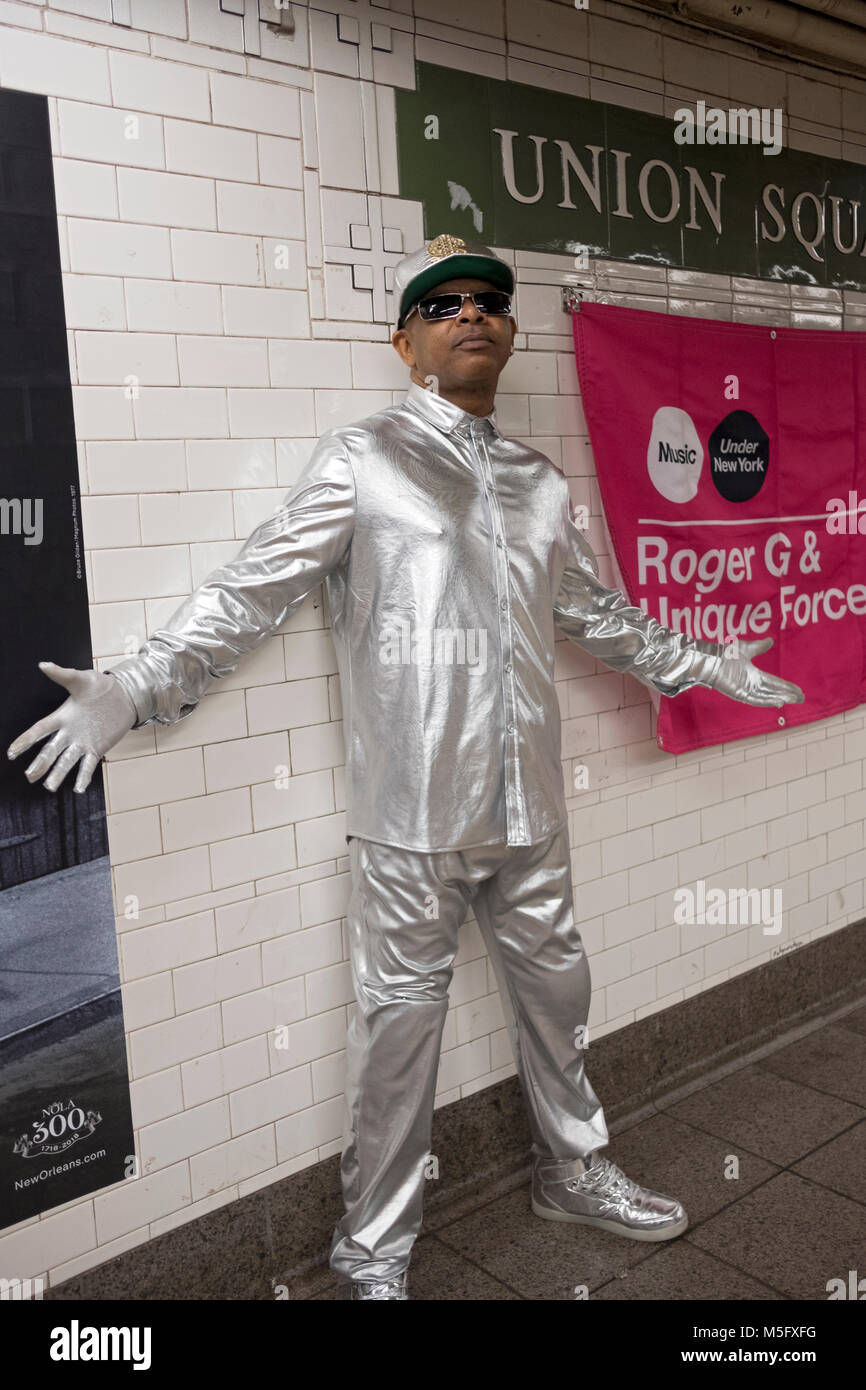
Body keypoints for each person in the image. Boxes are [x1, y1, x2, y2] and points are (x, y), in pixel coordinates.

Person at [7, 234, 805, 1302]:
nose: (469, 314)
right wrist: (137, 685)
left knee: (559, 1006)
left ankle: (573, 1170)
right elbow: (253, 588)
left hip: (529, 812)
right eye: (442, 305)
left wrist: (707, 663)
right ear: (403, 341)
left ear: (509, 334)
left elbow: (597, 617)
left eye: (487, 302)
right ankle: (371, 1253)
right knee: (395, 1041)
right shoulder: (363, 459)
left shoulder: (535, 484)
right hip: (409, 823)